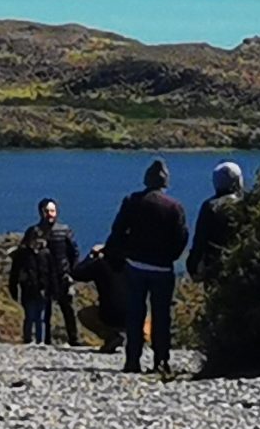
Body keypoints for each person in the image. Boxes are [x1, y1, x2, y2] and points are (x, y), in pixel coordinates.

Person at [106, 158, 190, 375]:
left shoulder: (132, 201)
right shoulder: (174, 207)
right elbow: (181, 238)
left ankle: (132, 359)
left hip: (135, 265)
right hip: (162, 268)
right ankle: (161, 360)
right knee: (162, 316)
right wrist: (169, 257)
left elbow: (118, 231)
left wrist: (120, 255)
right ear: (165, 182)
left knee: (135, 313)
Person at [10, 199, 78, 346]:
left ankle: (74, 339)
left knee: (67, 308)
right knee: (44, 311)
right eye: (47, 211)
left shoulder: (64, 230)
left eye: (52, 211)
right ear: (41, 212)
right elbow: (23, 254)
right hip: (43, 277)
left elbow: (74, 253)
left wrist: (71, 273)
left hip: (62, 275)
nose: (50, 214)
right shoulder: (34, 231)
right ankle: (45, 340)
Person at [187, 162, 245, 283]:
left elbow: (200, 239)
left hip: (215, 267)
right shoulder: (246, 204)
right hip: (243, 265)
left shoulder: (210, 206)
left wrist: (193, 266)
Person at [69, 240, 122, 352]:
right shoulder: (129, 265)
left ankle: (111, 336)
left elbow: (77, 273)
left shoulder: (100, 265)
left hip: (110, 313)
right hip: (135, 314)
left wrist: (91, 256)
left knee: (84, 314)